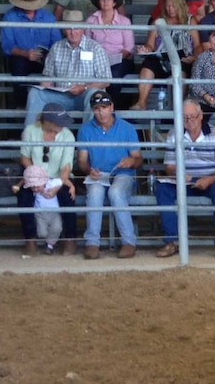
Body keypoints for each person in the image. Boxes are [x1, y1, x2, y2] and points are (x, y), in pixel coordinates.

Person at [154, 99, 215, 259]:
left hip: (210, 180)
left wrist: (209, 180)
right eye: (184, 117)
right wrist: (178, 174)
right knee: (162, 189)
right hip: (183, 180)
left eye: (193, 116)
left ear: (201, 116)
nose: (189, 120)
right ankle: (172, 240)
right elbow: (169, 166)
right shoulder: (173, 134)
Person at [77, 90, 143, 260]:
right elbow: (82, 161)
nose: (101, 112)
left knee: (116, 192)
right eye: (97, 109)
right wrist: (89, 170)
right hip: (99, 174)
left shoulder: (127, 128)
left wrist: (131, 161)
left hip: (123, 173)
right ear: (93, 110)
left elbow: (138, 159)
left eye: (104, 107)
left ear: (112, 107)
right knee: (94, 192)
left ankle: (128, 242)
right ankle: (92, 243)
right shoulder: (85, 130)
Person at [24, 17, 112, 125]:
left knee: (94, 94)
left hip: (84, 95)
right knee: (35, 93)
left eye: (76, 28)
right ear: (64, 30)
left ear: (83, 29)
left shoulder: (96, 48)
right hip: (62, 96)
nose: (72, 32)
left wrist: (84, 87)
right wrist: (47, 82)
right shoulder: (56, 48)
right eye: (69, 28)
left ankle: (88, 137)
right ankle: (29, 138)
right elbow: (48, 75)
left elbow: (106, 80)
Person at [17, 103, 77, 256]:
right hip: (34, 176)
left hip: (58, 177)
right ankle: (30, 240)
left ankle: (70, 240)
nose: (64, 126)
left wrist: (57, 184)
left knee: (67, 196)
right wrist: (36, 179)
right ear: (48, 122)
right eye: (60, 122)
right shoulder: (30, 131)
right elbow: (25, 158)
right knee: (24, 197)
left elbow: (66, 166)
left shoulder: (67, 135)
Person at [130, 0, 200, 110]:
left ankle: (177, 108)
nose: (170, 9)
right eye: (167, 6)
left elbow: (198, 45)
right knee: (147, 66)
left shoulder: (190, 21)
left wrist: (194, 57)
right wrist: (145, 49)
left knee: (180, 71)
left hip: (183, 59)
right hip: (161, 60)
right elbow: (150, 44)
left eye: (173, 6)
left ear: (180, 6)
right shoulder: (158, 21)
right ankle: (141, 102)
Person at [0, 0, 60, 107]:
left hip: (46, 58)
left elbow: (56, 42)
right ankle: (21, 106)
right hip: (22, 58)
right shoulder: (10, 17)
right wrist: (25, 53)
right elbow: (7, 45)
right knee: (18, 65)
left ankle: (52, 105)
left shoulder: (49, 17)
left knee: (57, 66)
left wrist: (47, 55)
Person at [85, 0, 135, 107]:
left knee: (114, 75)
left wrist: (113, 59)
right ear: (98, 2)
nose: (105, 1)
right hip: (95, 62)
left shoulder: (124, 21)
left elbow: (129, 48)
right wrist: (100, 61)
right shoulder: (91, 20)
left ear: (114, 2)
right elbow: (86, 45)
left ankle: (113, 107)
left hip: (120, 60)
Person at [18, 164, 64, 255]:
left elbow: (61, 181)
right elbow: (23, 183)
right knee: (41, 233)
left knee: (57, 228)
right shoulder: (35, 192)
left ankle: (50, 246)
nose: (35, 188)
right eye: (32, 187)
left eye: (37, 186)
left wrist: (56, 189)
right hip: (40, 214)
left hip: (54, 213)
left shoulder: (51, 183)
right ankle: (49, 239)